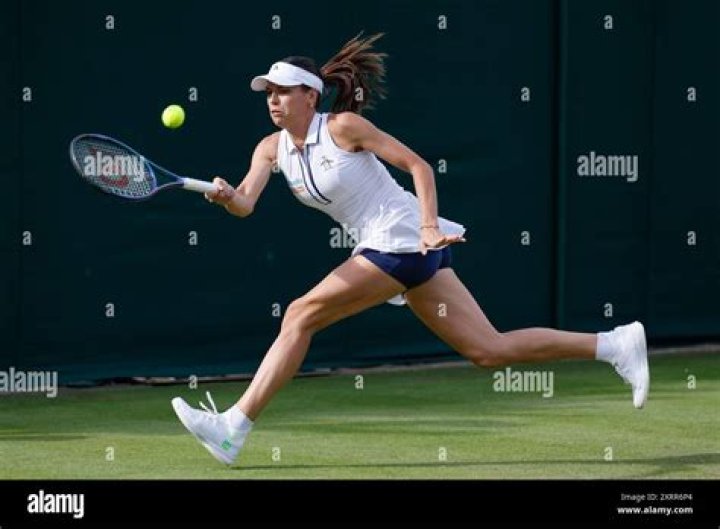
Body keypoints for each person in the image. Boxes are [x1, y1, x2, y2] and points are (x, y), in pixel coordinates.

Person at [171, 33, 649, 466]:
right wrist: (227, 196)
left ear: (310, 95)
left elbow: (419, 167)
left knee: (300, 314)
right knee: (489, 349)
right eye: (268, 93)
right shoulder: (270, 149)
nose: (272, 100)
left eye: (282, 91)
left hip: (401, 237)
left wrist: (425, 226)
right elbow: (246, 204)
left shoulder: (344, 127)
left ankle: (233, 428)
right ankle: (614, 344)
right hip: (396, 249)